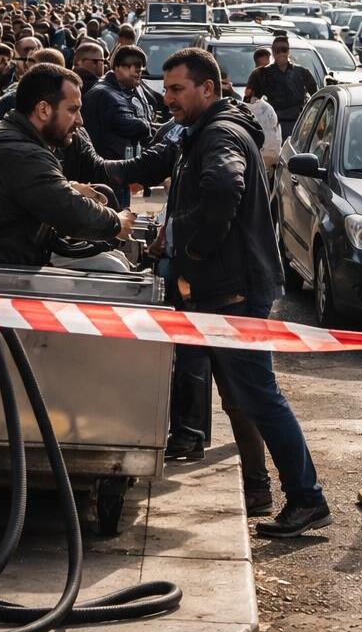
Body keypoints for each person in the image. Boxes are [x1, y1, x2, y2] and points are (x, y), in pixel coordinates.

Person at [143, 47, 330, 538]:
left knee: (260, 396)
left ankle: (307, 498)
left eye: (178, 89)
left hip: (232, 291)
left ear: (208, 88)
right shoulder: (204, 130)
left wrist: (193, 250)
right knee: (241, 396)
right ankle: (260, 488)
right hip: (225, 288)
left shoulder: (220, 134)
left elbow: (224, 188)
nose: (169, 99)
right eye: (166, 90)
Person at [0, 64, 135, 265]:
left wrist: (71, 186)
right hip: (0, 271)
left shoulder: (13, 138)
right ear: (43, 109)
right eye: (73, 110)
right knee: (111, 266)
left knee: (112, 260)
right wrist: (117, 222)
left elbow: (37, 189)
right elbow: (70, 211)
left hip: (8, 258)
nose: (80, 121)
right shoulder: (22, 154)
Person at [80, 45, 154, 207]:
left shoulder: (132, 89)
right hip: (107, 173)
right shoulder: (105, 93)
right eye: (132, 66)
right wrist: (147, 125)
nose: (138, 71)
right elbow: (131, 125)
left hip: (122, 170)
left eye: (140, 66)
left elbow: (150, 110)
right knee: (114, 219)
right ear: (118, 67)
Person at [246, 34, 317, 138]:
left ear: (288, 51)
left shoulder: (302, 73)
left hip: (298, 126)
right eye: (277, 50)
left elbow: (316, 99)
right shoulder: (261, 74)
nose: (281, 53)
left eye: (284, 49)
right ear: (273, 52)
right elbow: (250, 103)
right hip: (272, 126)